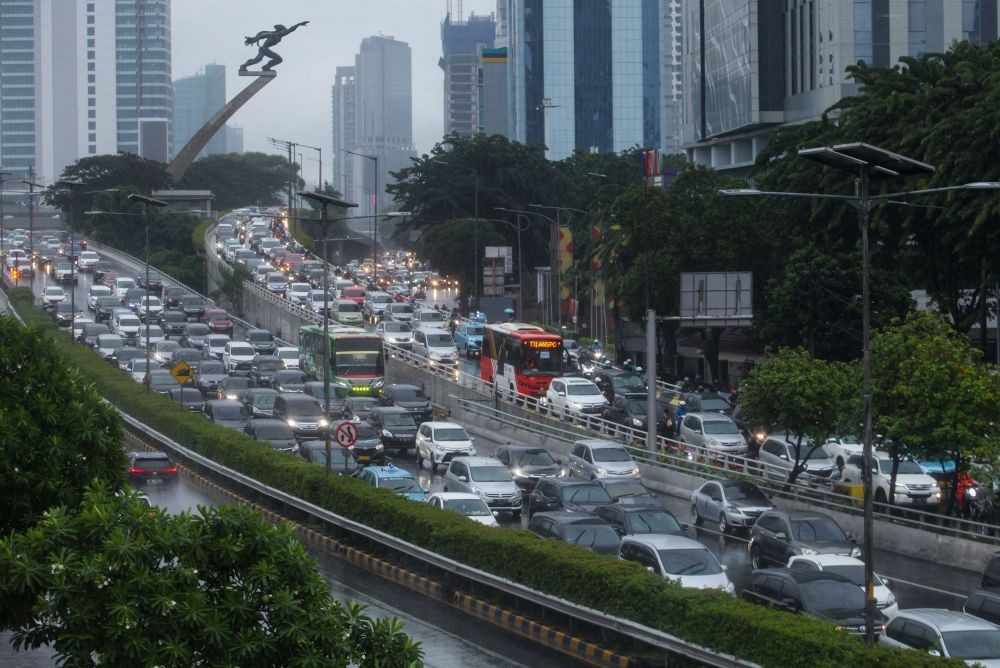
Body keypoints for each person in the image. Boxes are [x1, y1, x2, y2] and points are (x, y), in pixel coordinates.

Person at [240, 21, 309, 72]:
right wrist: (252, 39)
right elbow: (261, 35)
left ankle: (262, 67)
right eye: (283, 28)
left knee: (258, 59)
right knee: (278, 59)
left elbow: (290, 29)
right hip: (264, 48)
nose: (285, 30)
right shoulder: (275, 34)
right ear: (280, 29)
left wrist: (299, 24)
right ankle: (263, 67)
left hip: (264, 48)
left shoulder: (275, 33)